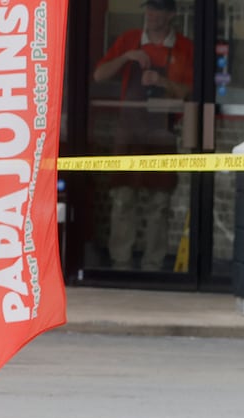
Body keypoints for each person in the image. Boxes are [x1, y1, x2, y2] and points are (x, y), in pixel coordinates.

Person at [90, 0, 195, 271]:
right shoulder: (129, 40)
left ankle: (153, 264)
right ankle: (120, 262)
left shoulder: (185, 47)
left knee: (159, 202)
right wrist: (127, 57)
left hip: (163, 132)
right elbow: (99, 76)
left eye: (157, 10)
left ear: (171, 15)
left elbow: (189, 93)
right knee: (123, 197)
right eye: (148, 9)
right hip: (128, 130)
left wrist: (160, 82)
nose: (151, 15)